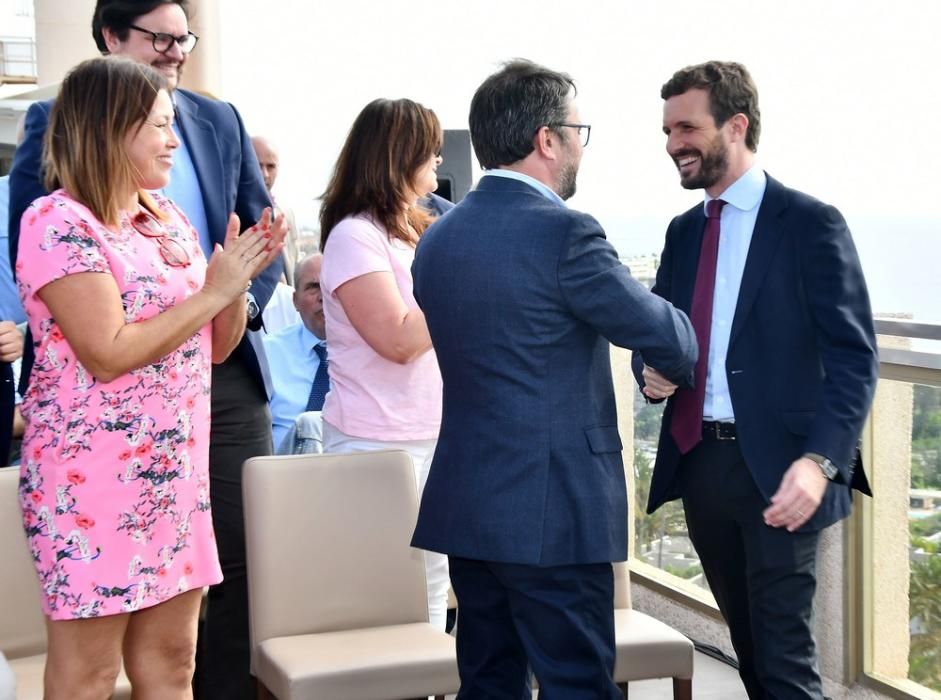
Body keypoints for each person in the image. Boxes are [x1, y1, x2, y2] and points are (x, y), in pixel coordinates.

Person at [7, 3, 286, 696]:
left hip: (174, 477)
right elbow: (107, 351)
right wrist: (212, 290)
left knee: (172, 665)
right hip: (90, 482)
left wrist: (236, 283)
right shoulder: (56, 221)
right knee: (90, 673)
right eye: (160, 126)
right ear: (112, 129)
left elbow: (214, 351)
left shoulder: (171, 222)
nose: (173, 141)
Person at [410, 59, 698, 699]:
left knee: (488, 683)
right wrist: (666, 371)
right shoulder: (566, 234)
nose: (579, 147)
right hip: (554, 512)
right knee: (578, 684)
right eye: (577, 130)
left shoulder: (437, 240)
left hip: (469, 504)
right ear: (546, 139)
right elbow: (667, 333)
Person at [633, 60, 878, 699]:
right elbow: (658, 331)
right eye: (666, 131)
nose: (672, 144)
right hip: (701, 465)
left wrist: (822, 460)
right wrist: (650, 372)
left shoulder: (809, 223)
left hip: (783, 471)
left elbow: (854, 358)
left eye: (686, 127)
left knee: (785, 664)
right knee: (749, 652)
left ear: (735, 125)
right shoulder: (684, 232)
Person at [318, 97, 451, 631]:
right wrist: (453, 285)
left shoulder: (413, 230)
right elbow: (395, 339)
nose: (439, 163)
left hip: (431, 433)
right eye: (431, 152)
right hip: (376, 440)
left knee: (433, 584)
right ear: (401, 155)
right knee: (386, 597)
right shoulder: (354, 235)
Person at [262, 253, 328, 453]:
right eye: (313, 287)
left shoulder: (371, 352)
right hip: (283, 473)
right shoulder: (267, 352)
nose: (323, 297)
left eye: (331, 286)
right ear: (295, 300)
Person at [252, 135, 300, 285]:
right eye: (257, 166)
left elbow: (294, 260)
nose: (264, 174)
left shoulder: (285, 212)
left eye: (270, 166)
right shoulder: (233, 212)